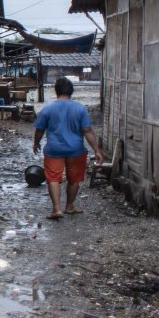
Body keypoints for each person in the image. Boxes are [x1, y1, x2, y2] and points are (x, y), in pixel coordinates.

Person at [33, 77, 104, 219]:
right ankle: (69, 206)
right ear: (71, 91)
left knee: (53, 178)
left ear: (56, 90)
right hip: (76, 150)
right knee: (74, 179)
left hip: (54, 150)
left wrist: (36, 143)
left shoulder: (47, 109)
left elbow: (39, 129)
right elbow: (87, 131)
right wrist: (97, 150)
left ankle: (57, 209)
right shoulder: (80, 109)